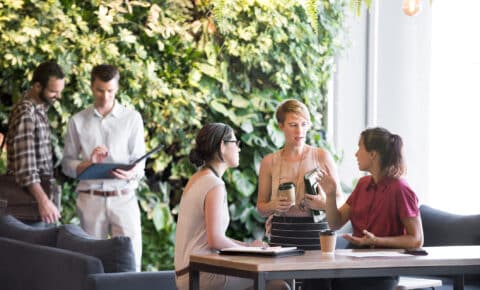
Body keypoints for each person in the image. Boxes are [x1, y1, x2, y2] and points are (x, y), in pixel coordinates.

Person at [174, 123, 289, 290]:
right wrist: (255, 252)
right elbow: (215, 240)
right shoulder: (214, 185)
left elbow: (213, 238)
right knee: (278, 286)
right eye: (236, 143)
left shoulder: (198, 178)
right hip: (203, 275)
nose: (239, 149)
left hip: (189, 274)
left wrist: (249, 247)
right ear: (222, 145)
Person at [315, 127, 424, 290]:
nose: (356, 154)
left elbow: (416, 240)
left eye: (360, 148)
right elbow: (335, 223)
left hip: (382, 269)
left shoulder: (400, 189)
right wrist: (330, 195)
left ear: (373, 154)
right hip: (354, 261)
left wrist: (376, 241)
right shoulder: (362, 184)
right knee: (314, 278)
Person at [62, 64, 145, 271]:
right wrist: (90, 163)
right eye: (100, 90)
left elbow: (140, 162)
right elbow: (67, 165)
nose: (106, 96)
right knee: (91, 264)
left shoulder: (132, 118)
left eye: (110, 90)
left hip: (124, 197)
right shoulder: (77, 121)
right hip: (90, 199)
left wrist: (132, 171)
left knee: (131, 263)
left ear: (117, 88)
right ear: (91, 87)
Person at [256, 99, 343, 250]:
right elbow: (261, 208)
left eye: (304, 124)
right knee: (280, 274)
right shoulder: (269, 162)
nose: (300, 131)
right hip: (281, 234)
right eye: (293, 125)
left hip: (318, 235)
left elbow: (340, 200)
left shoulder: (322, 157)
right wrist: (273, 205)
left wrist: (322, 204)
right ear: (281, 126)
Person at [6, 61, 64, 225]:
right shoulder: (26, 112)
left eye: (60, 91)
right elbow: (26, 168)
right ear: (38, 86)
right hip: (28, 204)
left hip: (34, 202)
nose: (58, 97)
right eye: (53, 91)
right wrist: (44, 202)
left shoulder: (39, 108)